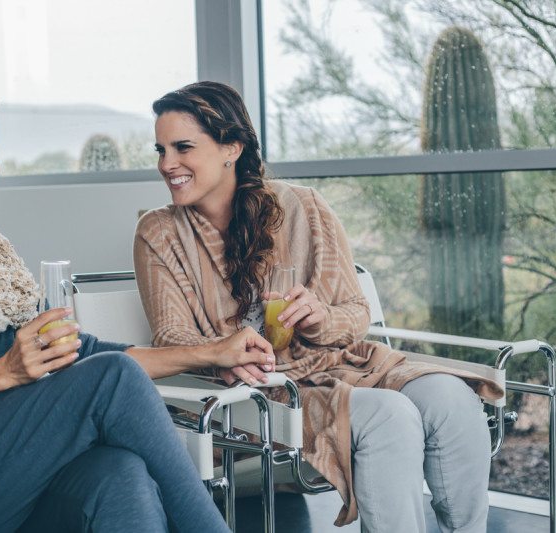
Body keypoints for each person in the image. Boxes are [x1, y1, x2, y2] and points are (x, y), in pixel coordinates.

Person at [0, 78, 276, 533]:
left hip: (1, 469)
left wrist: (213, 352)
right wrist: (5, 373)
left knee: (119, 474)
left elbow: (85, 351)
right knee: (112, 377)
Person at [134, 81, 504, 533]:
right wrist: (224, 350)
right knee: (390, 415)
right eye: (161, 149)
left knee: (454, 400)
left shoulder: (304, 207)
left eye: (182, 147)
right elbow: (170, 338)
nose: (166, 164)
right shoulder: (159, 232)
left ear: (231, 147)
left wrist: (320, 317)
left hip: (343, 363)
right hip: (260, 393)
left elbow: (355, 312)